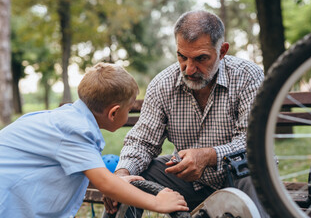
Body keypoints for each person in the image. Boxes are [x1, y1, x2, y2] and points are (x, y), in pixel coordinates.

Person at [104, 10, 269, 217]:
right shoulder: (162, 84)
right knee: (130, 183)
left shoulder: (248, 77)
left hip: (241, 177)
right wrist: (121, 176)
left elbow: (253, 143)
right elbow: (142, 142)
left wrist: (208, 156)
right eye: (182, 56)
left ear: (222, 51)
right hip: (189, 183)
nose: (189, 69)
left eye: (201, 58)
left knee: (252, 170)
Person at [0, 62, 188, 217]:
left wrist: (118, 182)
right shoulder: (75, 130)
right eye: (129, 109)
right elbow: (105, 183)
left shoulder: (66, 120)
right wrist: (157, 202)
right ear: (114, 113)